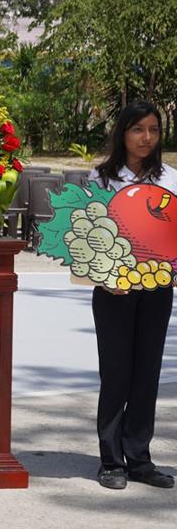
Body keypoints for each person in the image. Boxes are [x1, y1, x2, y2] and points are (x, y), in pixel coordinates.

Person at [88, 101, 177, 491]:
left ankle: (139, 457)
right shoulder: (102, 179)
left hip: (157, 289)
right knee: (116, 374)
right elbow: (88, 235)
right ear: (122, 133)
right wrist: (103, 275)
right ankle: (111, 461)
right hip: (113, 291)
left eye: (154, 130)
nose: (147, 138)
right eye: (138, 129)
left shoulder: (171, 180)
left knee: (146, 374)